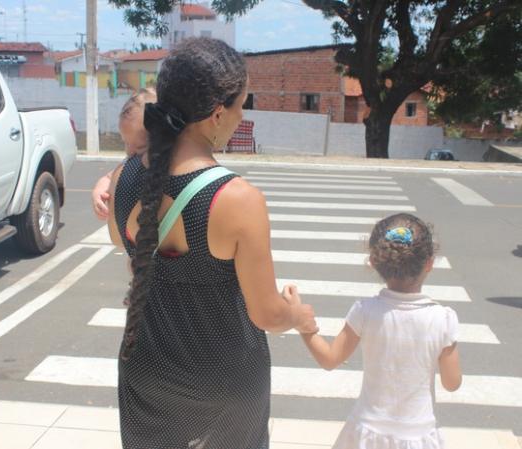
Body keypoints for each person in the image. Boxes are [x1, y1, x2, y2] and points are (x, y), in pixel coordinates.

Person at [107, 37, 318, 449]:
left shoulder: (121, 179)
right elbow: (267, 315)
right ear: (217, 113)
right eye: (242, 105)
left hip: (146, 371)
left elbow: (124, 243)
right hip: (225, 383)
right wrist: (296, 314)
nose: (242, 116)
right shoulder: (237, 199)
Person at [284, 213, 462, 449]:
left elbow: (329, 359)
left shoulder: (365, 311)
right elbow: (452, 383)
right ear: (429, 263)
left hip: (366, 433)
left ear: (374, 262)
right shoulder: (443, 319)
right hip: (417, 434)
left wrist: (305, 327)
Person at [92, 88, 156, 221]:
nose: (129, 151)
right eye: (126, 143)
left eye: (139, 147)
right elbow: (109, 177)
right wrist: (98, 192)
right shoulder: (131, 161)